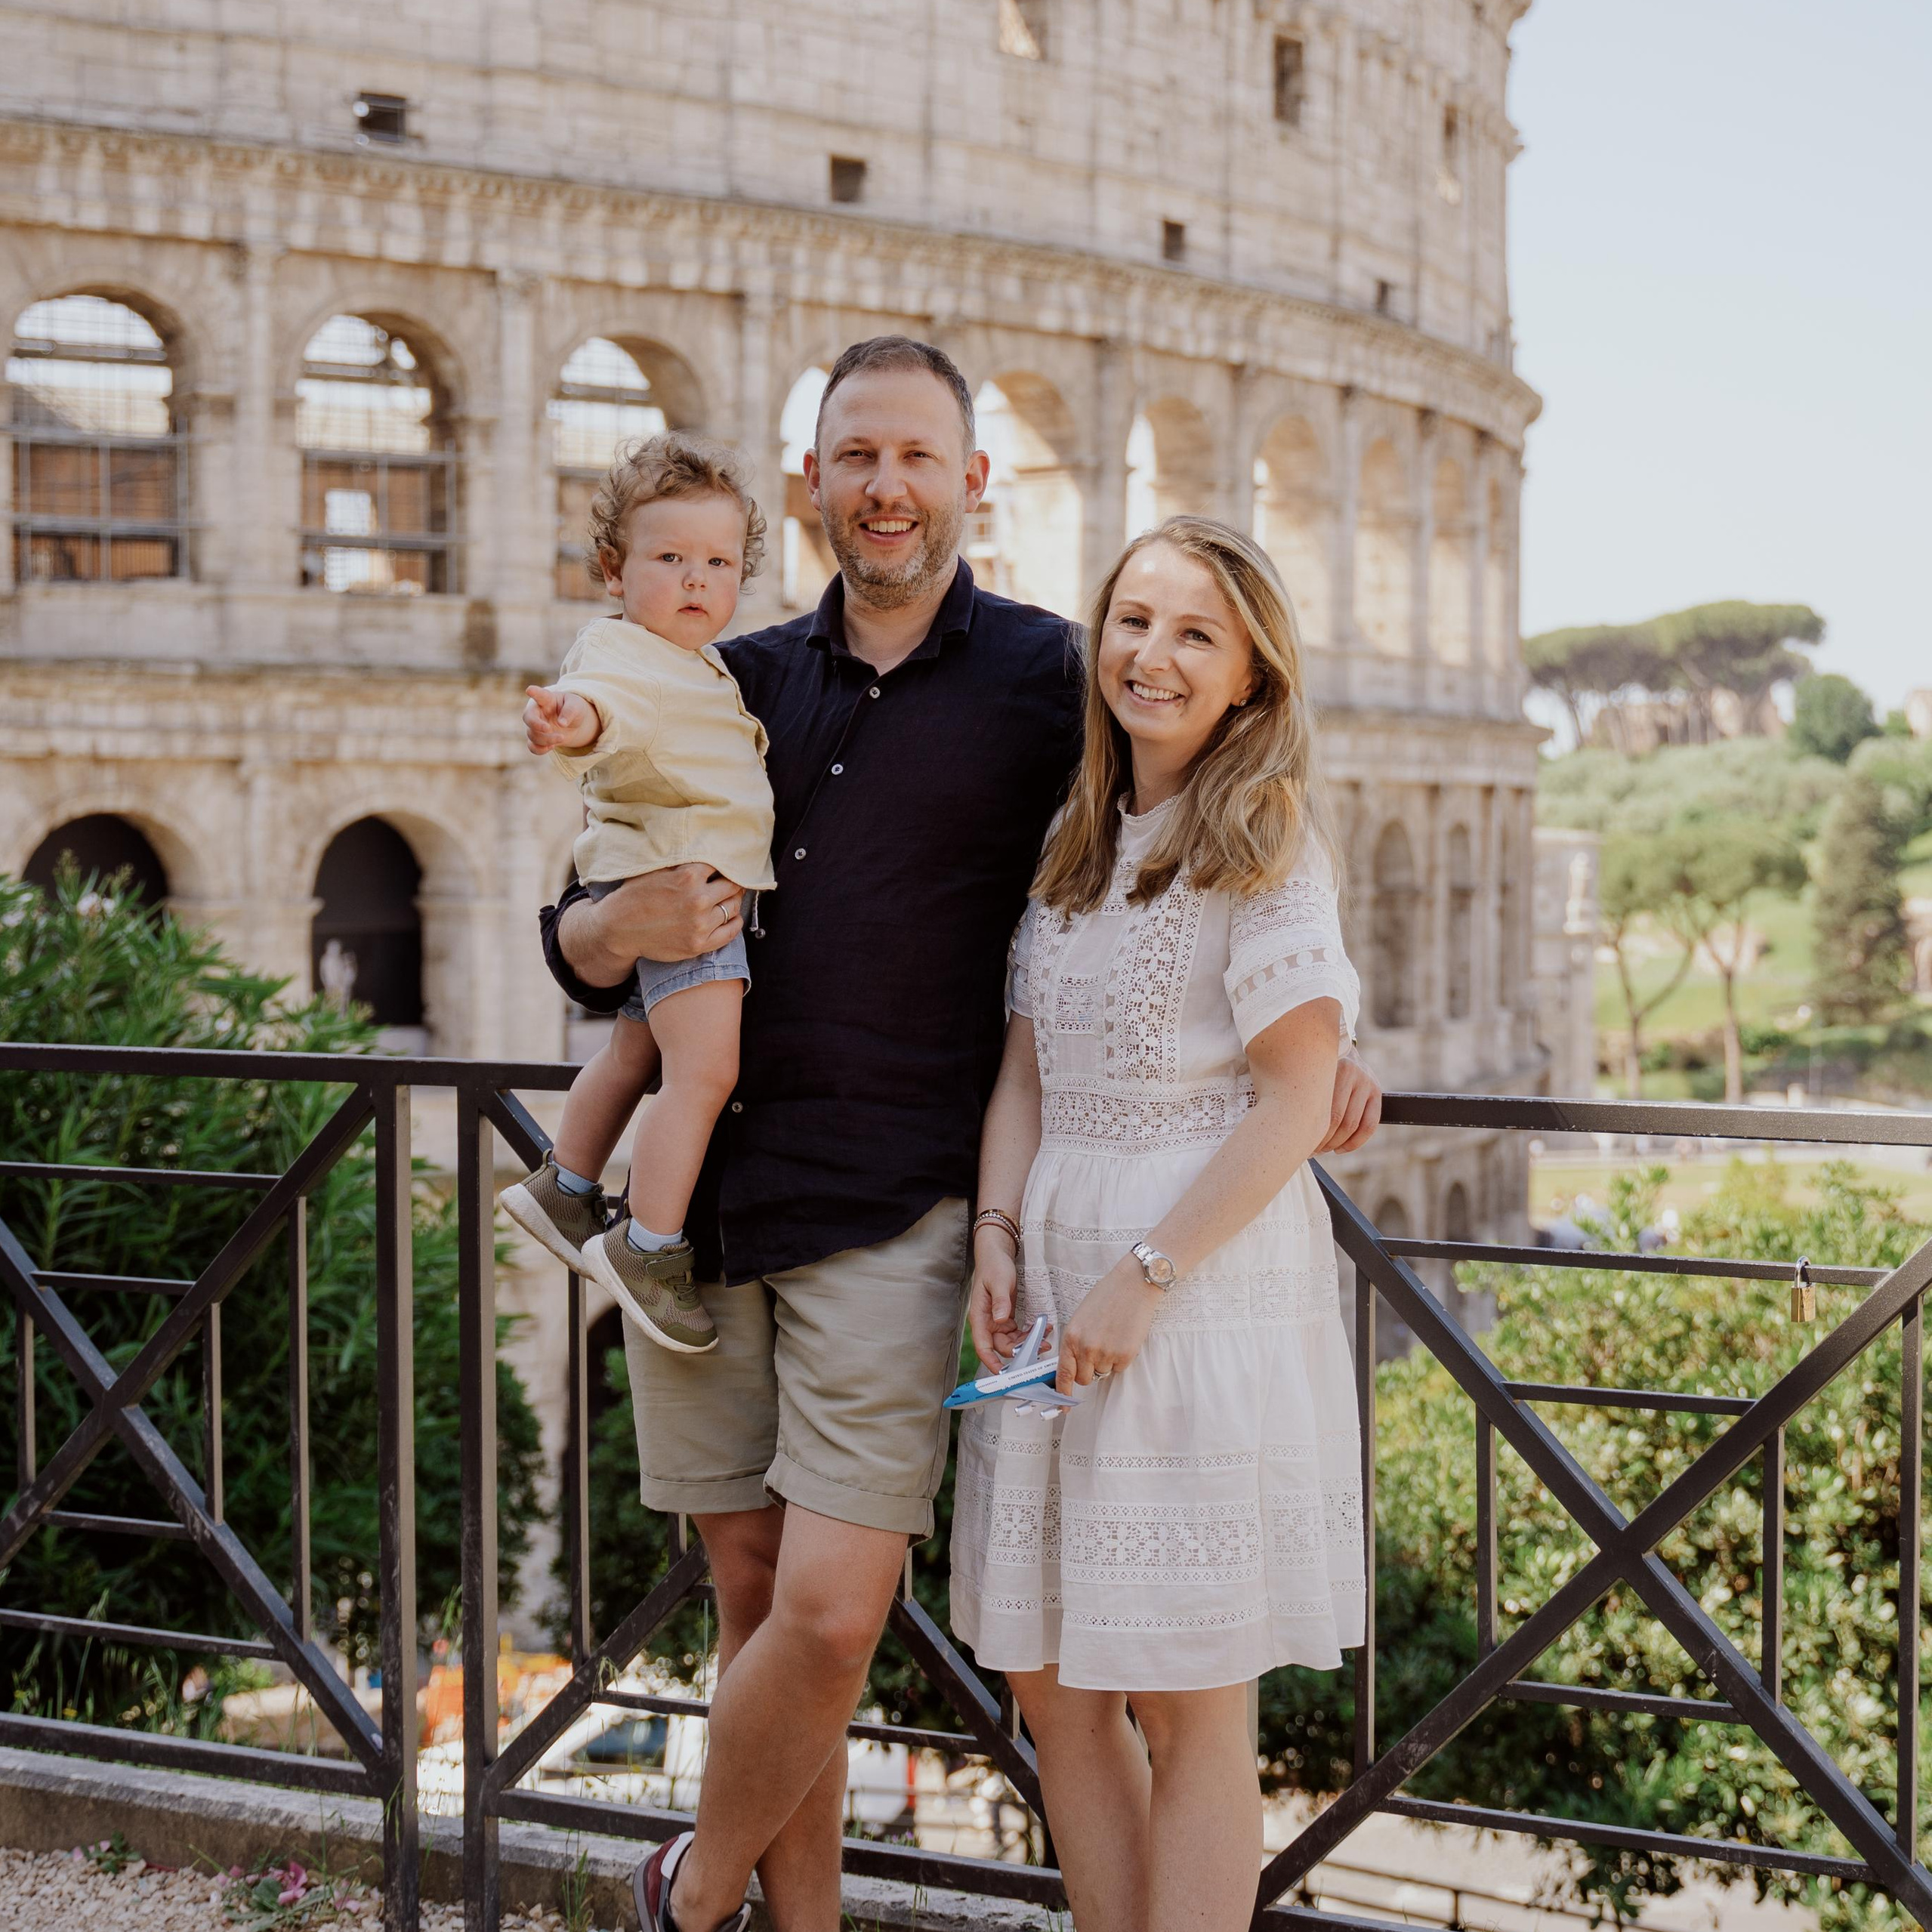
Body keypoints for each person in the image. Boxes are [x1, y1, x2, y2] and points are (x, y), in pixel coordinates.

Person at [539, 338, 1384, 1932]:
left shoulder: (1043, 676)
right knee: (755, 1597)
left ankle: (686, 1886)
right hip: (726, 1206)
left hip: (907, 1215)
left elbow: (1219, 819)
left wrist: (1336, 1041)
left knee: (838, 1610)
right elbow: (583, 937)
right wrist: (612, 919)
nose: (886, 487)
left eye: (918, 457)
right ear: (812, 482)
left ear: (972, 480)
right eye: (856, 456)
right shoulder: (738, 675)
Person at [949, 516, 1367, 1932]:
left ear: (1250, 674)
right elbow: (1023, 1065)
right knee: (1053, 1682)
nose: (1153, 653)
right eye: (1133, 619)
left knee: (1191, 1696)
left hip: (1189, 1293)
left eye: (1196, 631)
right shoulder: (1076, 835)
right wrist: (996, 1234)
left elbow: (1295, 1094)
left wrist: (1144, 1276)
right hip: (1053, 1272)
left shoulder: (1266, 836)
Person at [502, 433, 774, 1356]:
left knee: (633, 1051)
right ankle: (648, 1243)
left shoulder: (690, 658)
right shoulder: (627, 655)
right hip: (682, 887)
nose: (697, 580)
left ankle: (563, 1183)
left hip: (651, 871)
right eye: (670, 559)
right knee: (704, 1074)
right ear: (614, 570)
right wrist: (564, 721)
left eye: (719, 562)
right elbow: (597, 709)